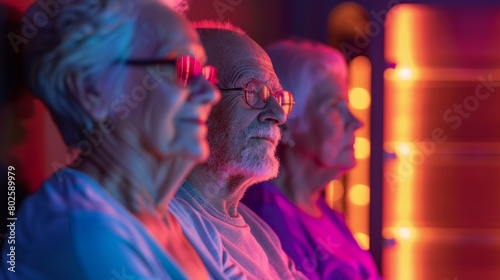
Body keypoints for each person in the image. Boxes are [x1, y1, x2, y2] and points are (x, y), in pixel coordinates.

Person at [0, 0, 221, 279]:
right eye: (182, 68)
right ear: (91, 90)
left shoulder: (168, 220)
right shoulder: (84, 232)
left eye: (204, 72)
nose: (211, 93)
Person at [170, 21, 305, 279]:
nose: (278, 115)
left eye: (279, 98)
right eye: (253, 92)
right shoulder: (170, 222)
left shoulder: (259, 230)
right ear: (196, 100)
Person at [242, 39, 381, 280]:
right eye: (334, 107)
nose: (357, 122)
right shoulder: (266, 218)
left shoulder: (328, 214)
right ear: (287, 125)